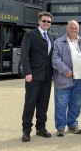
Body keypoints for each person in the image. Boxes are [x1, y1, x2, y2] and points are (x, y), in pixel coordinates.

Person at [52, 20, 81, 137]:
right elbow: (55, 59)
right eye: (71, 28)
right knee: (61, 104)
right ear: (66, 28)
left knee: (77, 104)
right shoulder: (59, 42)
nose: (74, 30)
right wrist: (66, 71)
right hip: (64, 79)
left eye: (76, 28)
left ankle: (72, 124)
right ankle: (60, 127)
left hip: (80, 80)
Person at [20, 11, 55, 142]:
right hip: (33, 76)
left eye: (49, 21)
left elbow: (51, 56)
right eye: (44, 21)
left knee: (43, 104)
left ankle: (41, 128)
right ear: (39, 21)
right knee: (30, 103)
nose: (46, 23)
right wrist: (27, 73)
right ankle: (26, 130)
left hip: (47, 76)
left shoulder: (52, 36)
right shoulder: (30, 35)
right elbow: (24, 55)